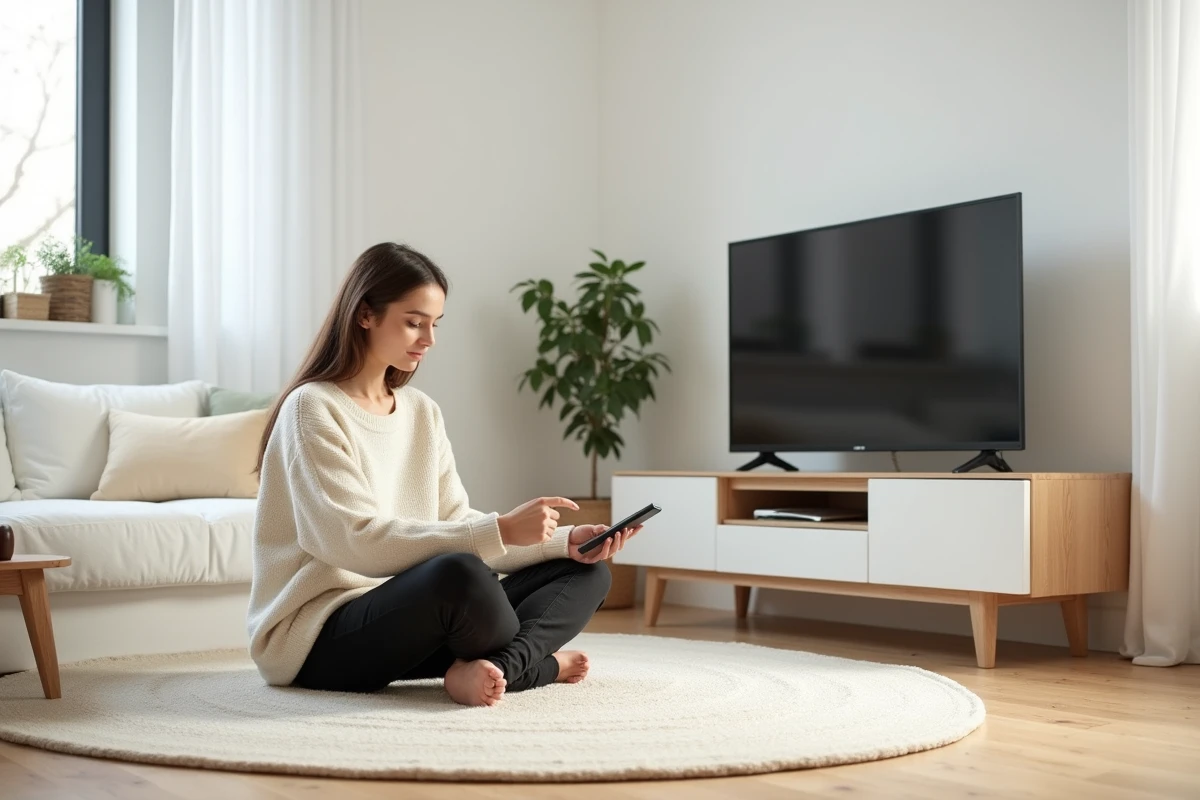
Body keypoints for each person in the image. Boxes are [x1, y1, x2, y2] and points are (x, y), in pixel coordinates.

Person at [246, 242, 641, 706]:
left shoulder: (421, 411)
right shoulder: (312, 407)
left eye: (434, 324)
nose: (428, 339)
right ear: (365, 314)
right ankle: (539, 665)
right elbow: (350, 540)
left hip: (412, 623)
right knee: (462, 575)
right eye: (414, 322)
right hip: (319, 636)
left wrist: (563, 543)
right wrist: (500, 530)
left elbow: (455, 520)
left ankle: (497, 669)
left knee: (586, 572)